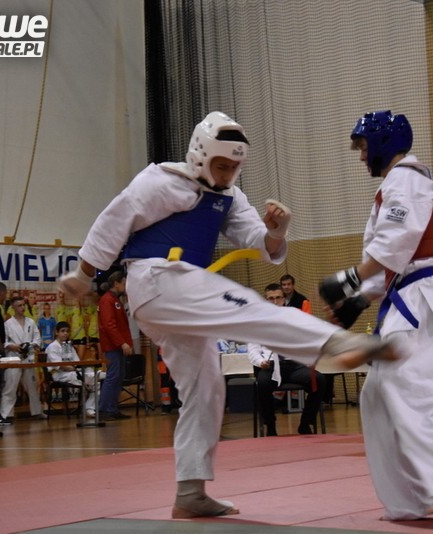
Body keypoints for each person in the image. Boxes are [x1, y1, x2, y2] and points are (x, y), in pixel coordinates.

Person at [58, 111, 394, 519]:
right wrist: (84, 274)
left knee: (206, 386)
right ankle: (332, 344)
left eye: (234, 167)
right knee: (250, 308)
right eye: (221, 165)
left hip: (176, 298)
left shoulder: (230, 196)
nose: (227, 174)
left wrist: (277, 230)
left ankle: (190, 491)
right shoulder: (162, 180)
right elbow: (114, 219)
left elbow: (260, 242)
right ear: (200, 154)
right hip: (159, 278)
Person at [319, 110, 433, 520]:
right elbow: (391, 261)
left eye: (362, 147)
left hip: (426, 301)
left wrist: (350, 278)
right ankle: (407, 500)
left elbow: (397, 241)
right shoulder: (394, 187)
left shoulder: (407, 180)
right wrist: (355, 301)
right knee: (377, 396)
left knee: (409, 388)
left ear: (382, 142)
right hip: (407, 298)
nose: (361, 156)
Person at [248, 283, 325, 436]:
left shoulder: (294, 316)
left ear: (284, 299)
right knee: (262, 384)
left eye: (278, 298)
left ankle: (305, 423)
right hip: (270, 366)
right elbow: (253, 349)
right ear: (265, 300)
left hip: (294, 365)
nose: (275, 301)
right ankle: (270, 425)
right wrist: (260, 362)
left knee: (319, 380)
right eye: (271, 299)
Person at [0, 296, 46, 424]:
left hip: (28, 357)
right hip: (13, 358)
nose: (22, 307)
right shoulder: (7, 324)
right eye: (19, 305)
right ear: (13, 307)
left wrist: (31, 345)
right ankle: (6, 415)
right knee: (10, 387)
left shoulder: (31, 322)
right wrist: (13, 346)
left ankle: (37, 411)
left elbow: (37, 338)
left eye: (23, 305)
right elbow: (4, 342)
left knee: (32, 386)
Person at [97, 270, 134, 421]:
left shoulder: (115, 300)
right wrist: (122, 343)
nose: (125, 286)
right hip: (113, 346)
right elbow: (109, 325)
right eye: (124, 283)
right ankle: (104, 409)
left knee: (118, 377)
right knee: (112, 377)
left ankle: (112, 408)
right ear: (116, 283)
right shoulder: (107, 300)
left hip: (117, 346)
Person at [45, 322, 98, 417]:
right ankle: (96, 376)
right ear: (56, 332)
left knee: (95, 381)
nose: (65, 333)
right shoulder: (52, 347)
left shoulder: (69, 346)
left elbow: (76, 362)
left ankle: (89, 408)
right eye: (63, 331)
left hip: (72, 372)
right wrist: (72, 368)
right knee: (91, 380)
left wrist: (74, 367)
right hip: (59, 375)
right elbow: (59, 365)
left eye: (67, 331)